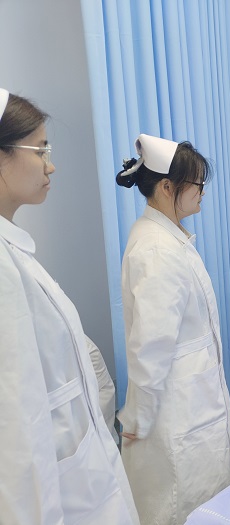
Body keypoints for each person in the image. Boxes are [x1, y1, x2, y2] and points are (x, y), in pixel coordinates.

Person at [0, 88, 139, 524]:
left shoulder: (13, 251)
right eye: (40, 150)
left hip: (78, 471)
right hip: (54, 491)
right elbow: (15, 426)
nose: (51, 165)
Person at [116, 134, 230, 524]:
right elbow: (151, 345)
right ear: (168, 188)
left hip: (191, 398)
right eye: (198, 185)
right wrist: (138, 416)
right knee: (178, 501)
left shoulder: (169, 238)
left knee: (201, 496)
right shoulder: (156, 249)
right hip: (176, 408)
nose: (203, 193)